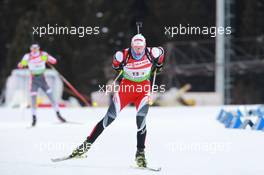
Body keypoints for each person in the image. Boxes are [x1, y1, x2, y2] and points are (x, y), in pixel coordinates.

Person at [70, 34, 165, 167]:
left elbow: (161, 52)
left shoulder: (152, 52)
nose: (138, 50)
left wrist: (159, 65)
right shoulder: (122, 55)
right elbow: (116, 66)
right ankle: (84, 147)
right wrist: (121, 69)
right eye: (136, 47)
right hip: (126, 89)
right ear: (131, 45)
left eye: (141, 47)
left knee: (141, 120)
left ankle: (140, 155)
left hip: (143, 90)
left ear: (145, 46)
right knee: (109, 118)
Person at [18, 44, 67, 126]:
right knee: (33, 100)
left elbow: (54, 61)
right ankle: (34, 118)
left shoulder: (43, 54)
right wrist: (24, 62)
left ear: (38, 48)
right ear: (30, 49)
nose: (34, 50)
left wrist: (46, 58)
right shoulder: (27, 56)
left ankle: (58, 115)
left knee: (51, 97)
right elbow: (20, 65)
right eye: (33, 48)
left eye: (36, 48)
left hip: (43, 80)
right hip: (34, 80)